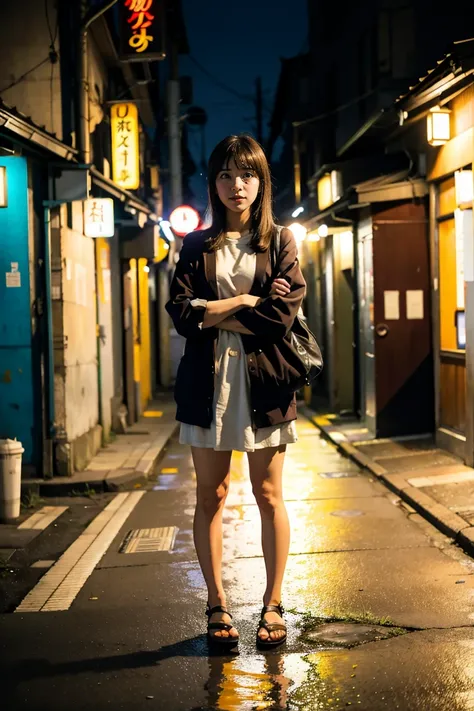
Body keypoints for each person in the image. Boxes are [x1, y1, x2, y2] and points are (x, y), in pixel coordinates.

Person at [165, 134, 306, 648]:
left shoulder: (282, 241)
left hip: (265, 383)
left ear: (261, 182)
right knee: (211, 495)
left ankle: (272, 603)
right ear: (213, 183)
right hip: (207, 385)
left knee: (269, 495)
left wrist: (213, 310)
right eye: (225, 174)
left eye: (246, 174)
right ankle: (217, 603)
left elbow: (279, 320)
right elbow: (180, 313)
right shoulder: (198, 244)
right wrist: (249, 298)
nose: (236, 185)